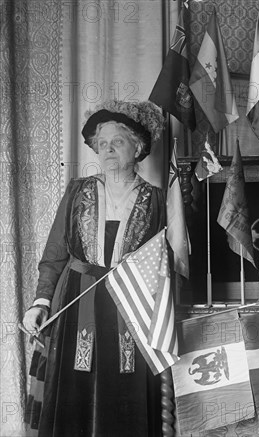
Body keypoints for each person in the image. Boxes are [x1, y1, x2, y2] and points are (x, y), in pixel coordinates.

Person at [22, 100, 166, 436]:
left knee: (126, 389)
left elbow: (168, 264)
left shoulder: (159, 199)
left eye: (117, 141)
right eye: (102, 144)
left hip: (131, 307)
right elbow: (55, 252)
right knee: (75, 388)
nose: (108, 150)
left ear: (138, 146)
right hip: (77, 302)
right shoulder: (77, 191)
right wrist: (40, 301)